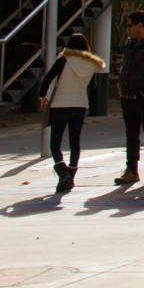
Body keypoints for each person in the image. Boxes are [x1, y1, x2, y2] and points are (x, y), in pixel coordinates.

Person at [38, 33, 106, 193]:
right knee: (74, 143)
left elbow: (47, 78)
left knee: (55, 143)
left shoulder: (63, 59)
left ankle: (62, 174)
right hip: (81, 105)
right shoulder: (92, 63)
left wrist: (43, 96)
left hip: (60, 104)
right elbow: (93, 86)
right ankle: (71, 174)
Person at [115, 10, 144, 185]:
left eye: (130, 25)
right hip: (128, 96)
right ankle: (131, 170)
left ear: (140, 25)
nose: (127, 29)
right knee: (131, 135)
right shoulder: (130, 45)